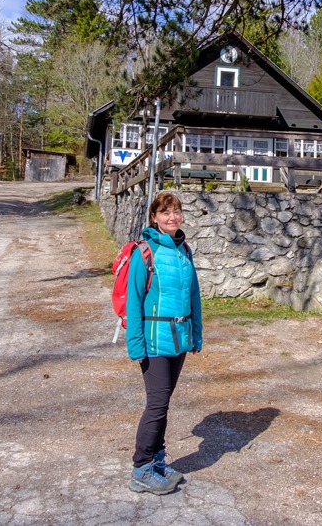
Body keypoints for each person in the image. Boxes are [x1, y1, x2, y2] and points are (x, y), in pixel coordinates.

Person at [125, 192, 203, 494]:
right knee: (157, 404)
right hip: (154, 340)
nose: (173, 217)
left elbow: (194, 295)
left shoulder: (185, 250)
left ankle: (157, 461)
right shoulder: (144, 252)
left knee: (163, 402)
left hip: (179, 338)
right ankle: (141, 468)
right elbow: (134, 301)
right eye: (166, 212)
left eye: (176, 211)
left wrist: (196, 334)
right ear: (154, 217)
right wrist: (136, 345)